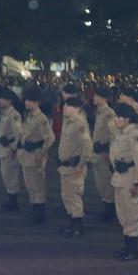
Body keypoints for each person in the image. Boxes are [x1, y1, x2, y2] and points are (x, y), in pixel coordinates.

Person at [109, 103, 138, 261]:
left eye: (119, 117)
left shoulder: (133, 134)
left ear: (128, 119)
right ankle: (127, 246)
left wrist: (137, 182)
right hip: (119, 177)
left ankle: (133, 249)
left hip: (129, 178)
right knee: (123, 213)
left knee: (131, 214)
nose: (116, 120)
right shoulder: (121, 132)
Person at [57, 97, 92, 237]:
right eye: (65, 105)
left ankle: (77, 226)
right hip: (66, 167)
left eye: (69, 106)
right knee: (67, 196)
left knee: (74, 197)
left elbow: (87, 145)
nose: (65, 107)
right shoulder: (68, 122)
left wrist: (82, 163)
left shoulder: (79, 123)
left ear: (76, 108)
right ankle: (71, 224)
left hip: (75, 167)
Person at [18, 92, 54, 225]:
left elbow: (50, 138)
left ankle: (40, 213)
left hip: (36, 154)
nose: (26, 102)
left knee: (38, 184)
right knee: (30, 184)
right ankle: (34, 209)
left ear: (36, 102)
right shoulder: (29, 116)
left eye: (29, 100)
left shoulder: (41, 118)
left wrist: (42, 153)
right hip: (27, 155)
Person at [90, 88, 118, 222]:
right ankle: (107, 206)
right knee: (100, 182)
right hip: (97, 152)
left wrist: (109, 152)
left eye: (96, 95)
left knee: (106, 182)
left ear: (103, 98)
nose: (94, 97)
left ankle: (110, 209)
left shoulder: (108, 114)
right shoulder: (99, 112)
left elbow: (113, 135)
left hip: (104, 153)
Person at [0, 88, 24, 210]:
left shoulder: (14, 115)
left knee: (11, 175)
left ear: (10, 101)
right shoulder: (5, 113)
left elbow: (18, 133)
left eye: (3, 99)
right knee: (6, 175)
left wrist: (14, 148)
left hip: (9, 149)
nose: (0, 101)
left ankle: (13, 201)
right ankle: (11, 198)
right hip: (3, 148)